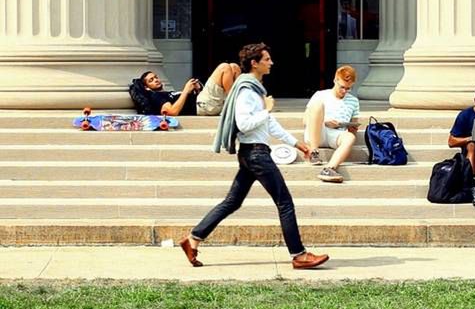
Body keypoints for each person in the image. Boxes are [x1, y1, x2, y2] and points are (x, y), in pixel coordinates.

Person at [178, 42, 329, 269]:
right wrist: (265, 110)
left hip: (253, 153)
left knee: (232, 202)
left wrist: (299, 144)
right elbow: (245, 123)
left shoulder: (255, 89)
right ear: (254, 63)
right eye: (266, 59)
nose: (271, 63)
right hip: (256, 154)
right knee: (285, 203)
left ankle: (193, 240)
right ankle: (299, 255)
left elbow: (269, 125)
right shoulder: (247, 91)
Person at [304, 65, 360, 183]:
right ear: (335, 80)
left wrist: (350, 126)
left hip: (337, 134)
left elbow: (353, 129)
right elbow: (305, 120)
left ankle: (330, 168)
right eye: (342, 87)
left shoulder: (353, 101)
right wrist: (324, 122)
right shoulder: (320, 94)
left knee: (350, 137)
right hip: (318, 132)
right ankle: (314, 152)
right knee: (317, 105)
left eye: (348, 88)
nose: (344, 91)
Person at [140, 62, 240, 116]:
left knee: (234, 67)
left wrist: (197, 89)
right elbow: (172, 112)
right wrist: (186, 90)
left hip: (206, 103)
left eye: (156, 77)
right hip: (202, 106)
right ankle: (233, 105)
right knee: (224, 67)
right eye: (151, 80)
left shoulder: (167, 93)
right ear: (146, 88)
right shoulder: (155, 96)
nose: (156, 80)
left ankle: (233, 104)